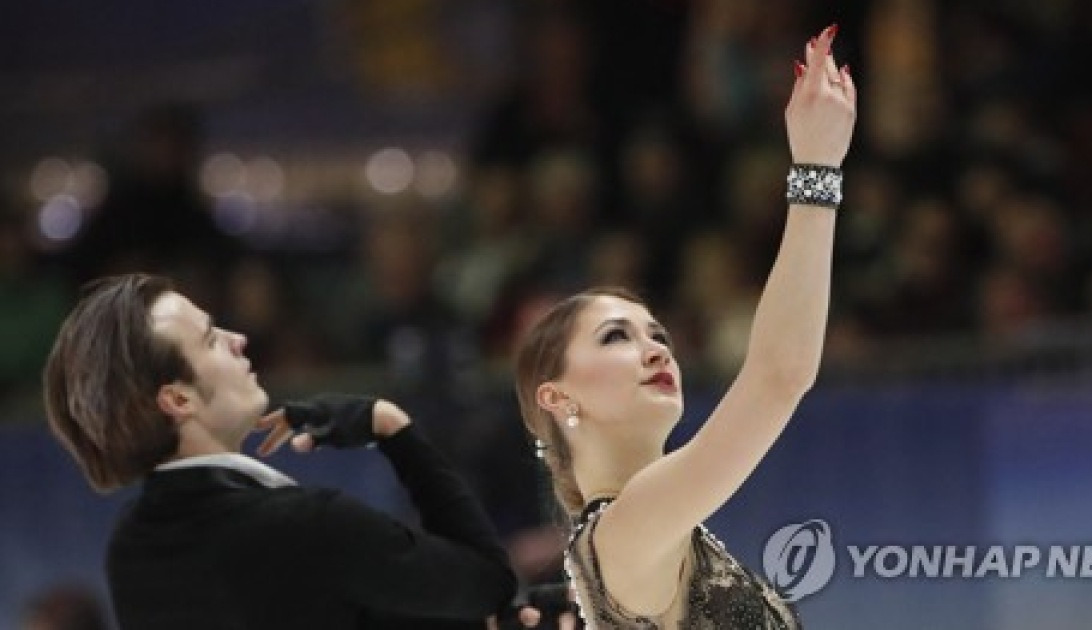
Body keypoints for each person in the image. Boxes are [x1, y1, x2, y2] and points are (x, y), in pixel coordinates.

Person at [513, 25, 855, 628]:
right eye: (617, 336)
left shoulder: (658, 531)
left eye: (658, 335)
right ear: (557, 396)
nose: (654, 349)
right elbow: (780, 375)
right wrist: (816, 170)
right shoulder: (621, 533)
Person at [42, 273, 522, 629]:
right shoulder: (305, 523)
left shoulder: (131, 548)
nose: (238, 340)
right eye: (211, 340)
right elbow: (486, 585)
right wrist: (394, 430)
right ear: (177, 400)